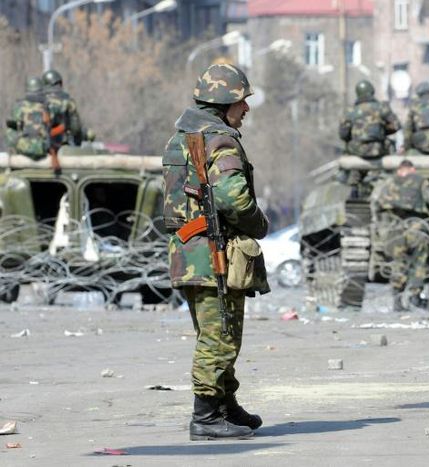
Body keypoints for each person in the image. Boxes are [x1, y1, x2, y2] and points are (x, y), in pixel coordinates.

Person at [162, 63, 269, 440]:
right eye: (242, 100)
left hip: (190, 251)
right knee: (220, 334)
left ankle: (225, 405)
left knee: (218, 329)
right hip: (213, 253)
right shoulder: (219, 138)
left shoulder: (183, 136)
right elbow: (233, 199)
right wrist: (259, 224)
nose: (246, 109)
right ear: (224, 102)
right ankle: (206, 417)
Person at [374, 159, 429, 311]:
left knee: (398, 264)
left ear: (399, 170)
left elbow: (377, 203)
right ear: (412, 169)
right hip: (415, 226)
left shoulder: (389, 182)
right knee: (419, 262)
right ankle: (415, 297)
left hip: (394, 228)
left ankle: (397, 301)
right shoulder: (420, 180)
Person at [338, 80, 400, 197]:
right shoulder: (382, 108)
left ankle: (354, 185)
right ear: (372, 92)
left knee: (348, 154)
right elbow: (396, 126)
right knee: (390, 144)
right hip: (378, 149)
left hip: (357, 150)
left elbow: (343, 134)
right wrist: (383, 131)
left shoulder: (350, 111)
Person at [4, 76, 50, 160]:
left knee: (11, 130)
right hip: (44, 149)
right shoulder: (47, 106)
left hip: (23, 148)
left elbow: (11, 130)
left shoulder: (18, 107)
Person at [42, 69, 83, 147]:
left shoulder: (40, 101)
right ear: (60, 83)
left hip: (42, 144)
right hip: (63, 143)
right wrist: (77, 143)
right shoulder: (68, 101)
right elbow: (75, 127)